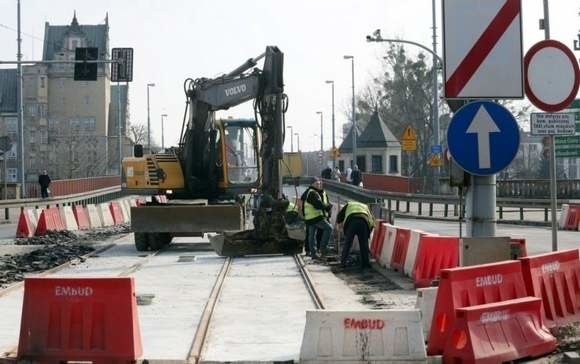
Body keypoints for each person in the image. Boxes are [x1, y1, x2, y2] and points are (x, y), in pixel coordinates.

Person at [336, 200, 375, 269]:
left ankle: (343, 263)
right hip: (363, 222)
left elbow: (339, 216)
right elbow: (372, 221)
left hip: (351, 222)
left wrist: (339, 224)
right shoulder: (365, 206)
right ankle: (365, 264)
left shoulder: (349, 204)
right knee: (364, 244)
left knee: (348, 243)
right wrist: (368, 234)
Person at [301, 177, 333, 258]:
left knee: (312, 236)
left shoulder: (311, 192)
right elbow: (318, 205)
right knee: (329, 228)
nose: (319, 185)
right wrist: (328, 206)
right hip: (316, 217)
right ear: (312, 184)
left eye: (319, 184)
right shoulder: (312, 193)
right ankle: (323, 248)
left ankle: (313, 253)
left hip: (310, 218)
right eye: (317, 184)